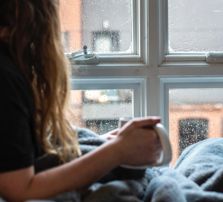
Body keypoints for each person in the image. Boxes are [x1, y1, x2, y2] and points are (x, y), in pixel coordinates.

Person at [0, 1, 161, 201]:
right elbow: (18, 189)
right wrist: (117, 151)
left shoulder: (11, 67)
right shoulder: (5, 78)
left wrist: (106, 145)